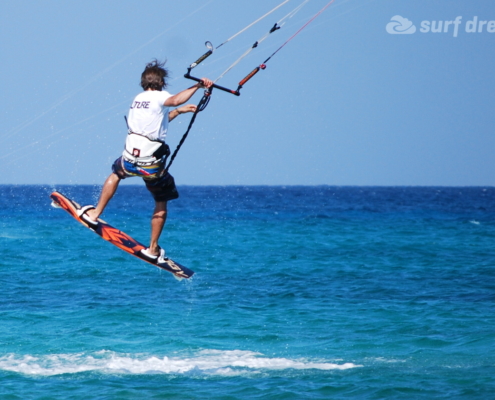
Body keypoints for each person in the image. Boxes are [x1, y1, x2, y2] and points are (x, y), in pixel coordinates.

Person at [77, 59, 213, 263]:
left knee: (116, 173)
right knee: (161, 199)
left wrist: (180, 112)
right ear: (161, 83)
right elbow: (175, 100)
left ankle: (94, 214)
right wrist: (197, 85)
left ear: (144, 82)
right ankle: (152, 248)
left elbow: (156, 122)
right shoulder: (160, 97)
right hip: (150, 165)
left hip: (129, 158)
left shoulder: (138, 99)